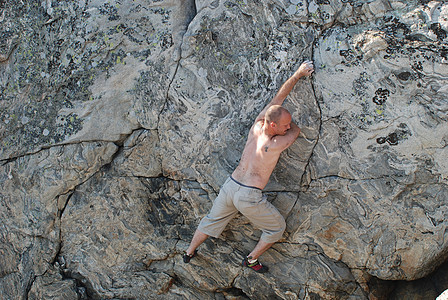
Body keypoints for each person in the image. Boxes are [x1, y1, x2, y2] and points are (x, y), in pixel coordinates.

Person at [183, 60, 314, 273]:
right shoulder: (274, 144)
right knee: (277, 228)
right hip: (248, 196)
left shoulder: (258, 123)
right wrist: (292, 126)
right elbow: (295, 132)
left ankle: (189, 252)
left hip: (231, 186)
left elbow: (279, 97)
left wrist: (297, 74)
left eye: (287, 123)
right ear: (273, 125)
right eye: (283, 125)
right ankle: (251, 259)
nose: (287, 126)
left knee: (211, 220)